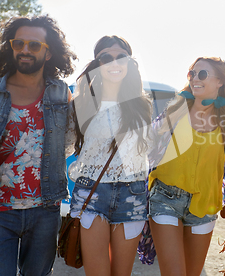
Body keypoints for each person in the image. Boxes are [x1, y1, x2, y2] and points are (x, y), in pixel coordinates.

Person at [0, 15, 76, 275]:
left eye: (34, 45)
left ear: (48, 53)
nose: (25, 49)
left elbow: (76, 141)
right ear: (10, 48)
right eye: (18, 43)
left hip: (45, 211)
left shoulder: (60, 93)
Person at [147, 57, 225, 276]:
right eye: (192, 74)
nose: (195, 79)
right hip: (165, 197)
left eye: (202, 74)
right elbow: (148, 144)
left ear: (220, 81)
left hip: (205, 205)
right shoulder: (176, 109)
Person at [68, 35, 152, 276]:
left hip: (132, 194)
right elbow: (65, 144)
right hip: (92, 193)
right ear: (97, 63)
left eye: (121, 57)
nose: (114, 63)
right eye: (106, 57)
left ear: (129, 63)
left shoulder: (141, 105)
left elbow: (151, 151)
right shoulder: (82, 103)